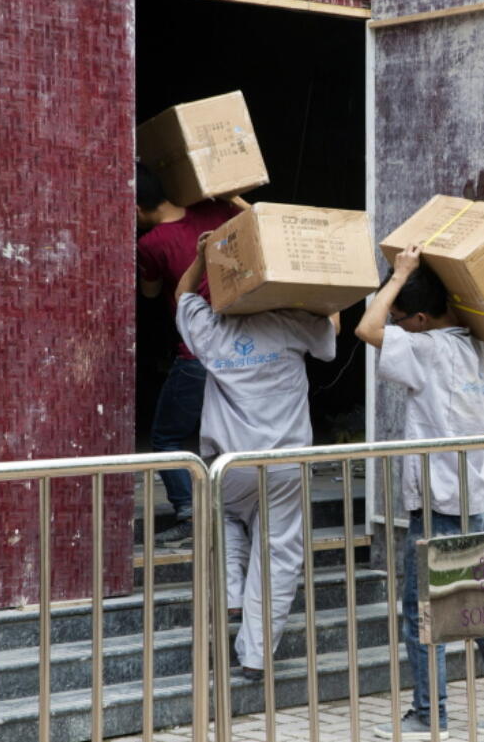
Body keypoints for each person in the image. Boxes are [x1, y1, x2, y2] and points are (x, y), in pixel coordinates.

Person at [356, 243, 484, 740]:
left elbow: (367, 328)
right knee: (469, 604)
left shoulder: (429, 349)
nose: (394, 325)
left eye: (401, 316)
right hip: (469, 495)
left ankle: (429, 712)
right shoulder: (478, 344)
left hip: (439, 500)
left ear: (418, 319)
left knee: (426, 611)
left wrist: (400, 274)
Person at [175, 231, 338, 681]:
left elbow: (182, 295)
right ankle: (255, 657)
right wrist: (325, 288)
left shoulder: (210, 330)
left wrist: (200, 258)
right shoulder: (292, 322)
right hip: (284, 466)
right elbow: (331, 335)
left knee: (225, 522)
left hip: (228, 466)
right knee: (279, 557)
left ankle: (230, 594)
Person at [135, 161, 248, 547]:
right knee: (227, 436)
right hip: (241, 351)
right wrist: (231, 193)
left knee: (167, 438)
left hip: (196, 354)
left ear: (136, 210)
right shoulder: (214, 212)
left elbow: (150, 294)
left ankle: (189, 514)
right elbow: (261, 224)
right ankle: (230, 512)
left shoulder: (150, 244)